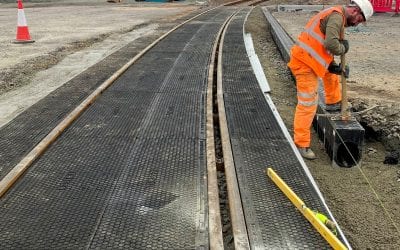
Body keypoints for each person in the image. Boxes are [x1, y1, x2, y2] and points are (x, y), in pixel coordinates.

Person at [287, 0, 373, 160]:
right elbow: (331, 44)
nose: (356, 24)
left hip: (310, 59)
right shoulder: (337, 17)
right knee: (308, 104)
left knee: (332, 75)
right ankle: (301, 144)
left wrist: (334, 67)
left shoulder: (337, 16)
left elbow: (324, 48)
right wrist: (343, 48)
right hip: (305, 63)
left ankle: (334, 102)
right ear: (356, 12)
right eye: (359, 21)